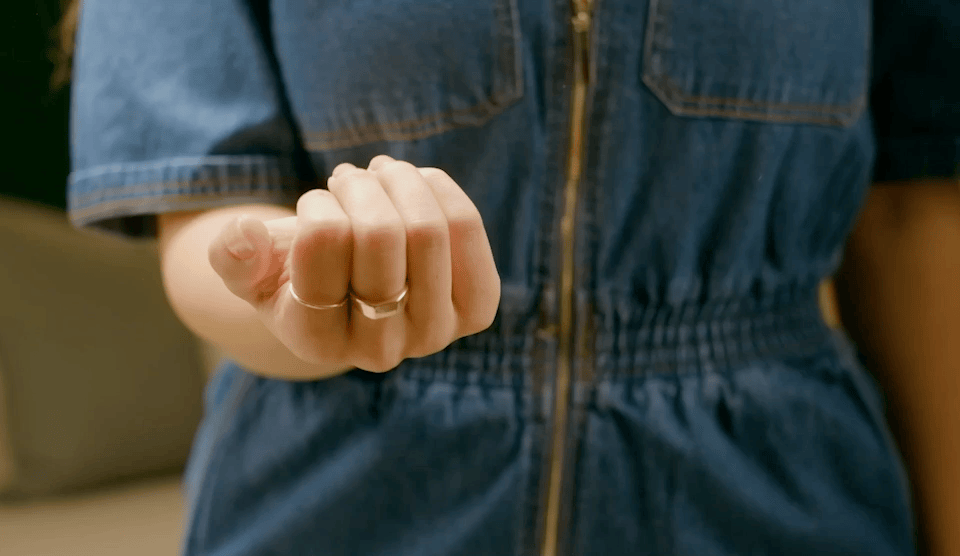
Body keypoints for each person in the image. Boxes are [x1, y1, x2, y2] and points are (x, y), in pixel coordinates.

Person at [65, 0, 959, 554]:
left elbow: (914, 212)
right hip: (332, 505)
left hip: (784, 510)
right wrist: (305, 290)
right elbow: (208, 223)